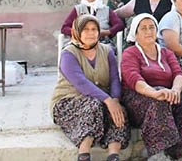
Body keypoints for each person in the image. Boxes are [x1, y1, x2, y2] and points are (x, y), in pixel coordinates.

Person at [121, 14, 182, 160]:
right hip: (138, 101)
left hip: (165, 98)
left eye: (152, 27)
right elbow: (133, 78)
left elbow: (178, 73)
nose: (149, 31)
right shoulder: (130, 53)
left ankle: (174, 151)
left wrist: (175, 90)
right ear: (135, 33)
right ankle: (156, 152)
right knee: (160, 100)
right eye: (144, 28)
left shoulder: (166, 53)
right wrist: (154, 93)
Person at [51, 15, 130, 161]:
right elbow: (81, 83)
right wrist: (108, 100)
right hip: (68, 101)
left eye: (94, 29)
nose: (90, 33)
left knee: (119, 111)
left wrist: (115, 100)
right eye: (86, 29)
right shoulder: (68, 53)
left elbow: (114, 79)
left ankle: (113, 155)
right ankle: (84, 154)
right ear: (78, 32)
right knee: (94, 105)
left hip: (101, 99)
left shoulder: (107, 51)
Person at [61, 0, 125, 49]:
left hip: (102, 42)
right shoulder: (78, 9)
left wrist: (107, 32)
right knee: (69, 51)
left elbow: (119, 25)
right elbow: (64, 28)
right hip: (80, 42)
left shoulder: (105, 9)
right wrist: (80, 33)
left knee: (108, 50)